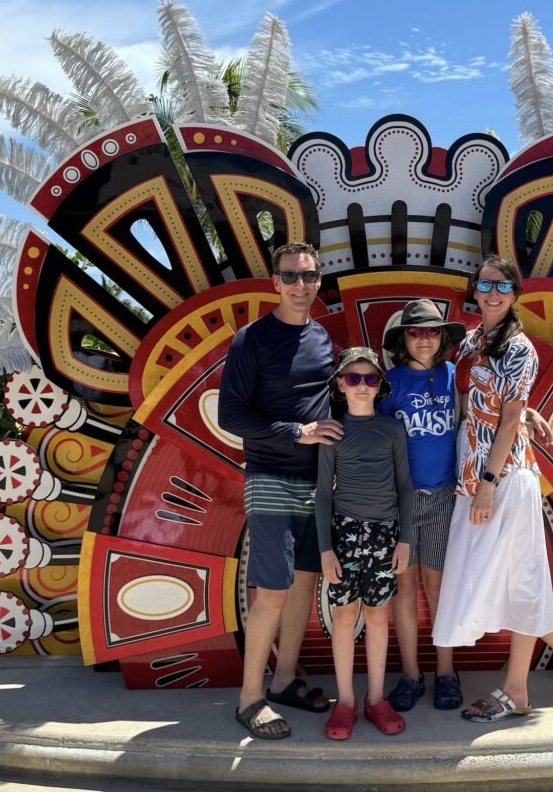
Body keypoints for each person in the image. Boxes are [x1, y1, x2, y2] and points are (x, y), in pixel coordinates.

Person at [433, 255, 553, 722]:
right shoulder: (468, 341)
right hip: (471, 480)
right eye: (486, 285)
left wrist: (487, 483)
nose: (493, 293)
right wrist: (525, 412)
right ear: (475, 291)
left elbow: (503, 421)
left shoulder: (521, 348)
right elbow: (475, 400)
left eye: (503, 286)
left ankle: (517, 690)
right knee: (490, 577)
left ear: (515, 294)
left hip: (502, 477)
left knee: (522, 579)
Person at [218, 242, 343, 740]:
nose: (300, 285)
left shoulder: (321, 339)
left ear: (318, 282)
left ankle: (286, 678)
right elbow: (231, 416)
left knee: (304, 583)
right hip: (270, 476)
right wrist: (299, 432)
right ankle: (250, 697)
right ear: (274, 281)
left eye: (308, 277)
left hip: (318, 483)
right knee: (271, 587)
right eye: (290, 276)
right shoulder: (251, 340)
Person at [317, 347, 414, 739]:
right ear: (341, 383)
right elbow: (323, 495)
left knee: (377, 615)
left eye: (370, 378)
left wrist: (405, 538)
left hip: (384, 535)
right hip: (344, 534)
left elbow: (406, 487)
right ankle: (344, 701)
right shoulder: (332, 432)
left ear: (380, 386)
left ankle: (376, 699)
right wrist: (325, 548)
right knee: (344, 616)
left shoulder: (392, 430)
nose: (361, 385)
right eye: (353, 378)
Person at [377, 299, 466, 712]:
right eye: (415, 332)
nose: (424, 339)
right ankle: (411, 674)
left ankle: (446, 672)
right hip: (402, 502)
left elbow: (485, 411)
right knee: (405, 587)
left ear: (442, 337)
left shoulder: (453, 376)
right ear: (404, 339)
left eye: (432, 331)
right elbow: (371, 435)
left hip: (444, 496)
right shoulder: (389, 384)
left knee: (438, 587)